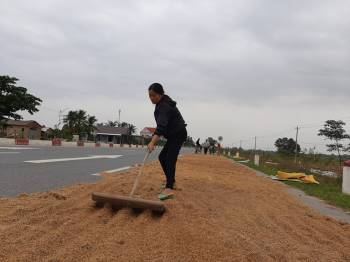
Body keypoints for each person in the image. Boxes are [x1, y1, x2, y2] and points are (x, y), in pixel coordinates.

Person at [147, 83, 187, 200]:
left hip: (178, 134)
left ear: (160, 94)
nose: (151, 98)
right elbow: (162, 127)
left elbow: (161, 127)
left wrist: (152, 142)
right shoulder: (162, 103)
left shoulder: (163, 106)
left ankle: (169, 188)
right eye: (149, 96)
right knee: (162, 157)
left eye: (153, 95)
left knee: (169, 158)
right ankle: (171, 181)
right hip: (174, 134)